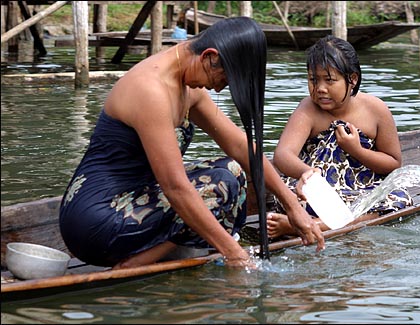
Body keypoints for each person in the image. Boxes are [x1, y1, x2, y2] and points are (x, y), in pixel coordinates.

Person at [59, 17, 325, 270]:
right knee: (218, 188)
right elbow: (175, 188)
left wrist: (291, 204)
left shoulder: (187, 86)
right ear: (210, 57)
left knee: (232, 172)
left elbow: (241, 147)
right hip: (95, 220)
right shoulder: (151, 90)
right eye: (223, 80)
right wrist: (235, 254)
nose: (219, 89)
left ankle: (152, 254)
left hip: (139, 198)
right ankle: (131, 266)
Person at [267, 35, 413, 238]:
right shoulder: (308, 109)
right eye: (313, 80)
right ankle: (310, 221)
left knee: (398, 199)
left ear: (352, 80)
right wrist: (307, 173)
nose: (320, 89)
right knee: (291, 197)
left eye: (329, 80)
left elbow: (393, 162)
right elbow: (283, 155)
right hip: (318, 191)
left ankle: (305, 226)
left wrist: (357, 151)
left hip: (360, 190)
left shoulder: (376, 109)